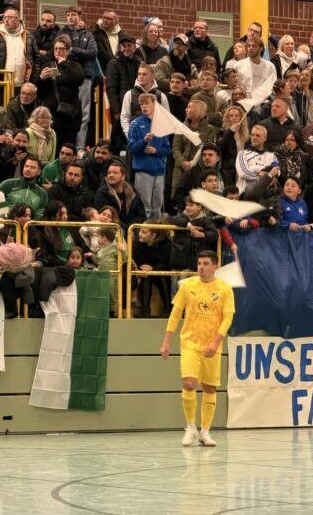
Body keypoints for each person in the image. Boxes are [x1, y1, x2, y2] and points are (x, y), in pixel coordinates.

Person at [160, 249, 234, 447]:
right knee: (190, 384)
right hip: (190, 343)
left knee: (209, 387)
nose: (201, 267)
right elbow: (175, 313)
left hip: (212, 346)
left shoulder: (225, 289)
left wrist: (216, 342)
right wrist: (166, 341)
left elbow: (228, 317)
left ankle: (205, 431)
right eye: (199, 263)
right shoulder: (187, 286)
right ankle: (190, 428)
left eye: (205, 263)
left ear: (214, 266)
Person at [36, 34, 85, 151]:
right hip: (52, 116)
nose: (58, 51)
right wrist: (41, 79)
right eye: (56, 48)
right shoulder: (47, 65)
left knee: (68, 149)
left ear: (68, 51)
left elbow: (78, 79)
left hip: (70, 116)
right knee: (52, 149)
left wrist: (64, 64)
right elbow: (39, 92)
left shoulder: (74, 65)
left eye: (61, 49)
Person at [128, 94, 171, 220]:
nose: (144, 107)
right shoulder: (135, 124)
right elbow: (131, 148)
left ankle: (156, 237)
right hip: (143, 171)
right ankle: (142, 236)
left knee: (157, 208)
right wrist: (144, 141)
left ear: (154, 105)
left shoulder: (161, 123)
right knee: (144, 208)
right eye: (142, 104)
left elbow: (167, 149)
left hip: (159, 171)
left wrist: (156, 151)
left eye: (147, 103)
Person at [60, 7, 97, 150]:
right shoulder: (62, 33)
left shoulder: (88, 35)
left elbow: (92, 53)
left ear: (80, 16)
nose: (70, 17)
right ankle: (65, 148)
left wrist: (73, 50)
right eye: (68, 15)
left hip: (85, 78)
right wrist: (81, 53)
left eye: (73, 15)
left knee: (84, 114)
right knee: (64, 112)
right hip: (66, 78)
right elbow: (61, 53)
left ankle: (79, 148)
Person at [0, 7, 37, 88]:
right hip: (1, 82)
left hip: (23, 84)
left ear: (18, 19)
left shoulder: (28, 36)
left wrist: (34, 75)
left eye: (10, 17)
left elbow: (36, 57)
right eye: (5, 17)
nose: (6, 20)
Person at [106, 35, 142, 152]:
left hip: (136, 106)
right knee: (118, 140)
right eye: (123, 46)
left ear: (134, 47)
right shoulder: (113, 63)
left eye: (129, 45)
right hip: (120, 106)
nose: (126, 48)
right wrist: (116, 110)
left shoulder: (139, 62)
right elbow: (111, 88)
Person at [93, 161, 146, 231]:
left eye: (115, 173)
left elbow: (141, 216)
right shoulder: (102, 193)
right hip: (110, 230)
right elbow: (104, 216)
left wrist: (130, 229)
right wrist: (126, 229)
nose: (111, 175)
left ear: (123, 176)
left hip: (132, 230)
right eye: (109, 173)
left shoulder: (133, 193)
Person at [120, 62, 170, 136]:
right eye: (139, 74)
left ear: (152, 76)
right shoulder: (129, 94)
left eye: (144, 74)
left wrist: (159, 139)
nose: (141, 76)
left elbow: (167, 119)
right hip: (135, 139)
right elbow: (124, 117)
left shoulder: (161, 96)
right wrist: (130, 136)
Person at [0, 155, 49, 219]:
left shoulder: (42, 194)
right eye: (26, 166)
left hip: (28, 227)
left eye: (32, 167)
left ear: (39, 172)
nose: (28, 169)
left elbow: (39, 216)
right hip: (7, 225)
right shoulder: (7, 184)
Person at [235, 125, 277, 196]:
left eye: (258, 135)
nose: (254, 137)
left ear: (265, 138)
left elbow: (277, 172)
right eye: (252, 135)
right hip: (246, 193)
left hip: (266, 194)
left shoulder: (272, 156)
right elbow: (243, 174)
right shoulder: (242, 153)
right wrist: (266, 176)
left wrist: (253, 169)